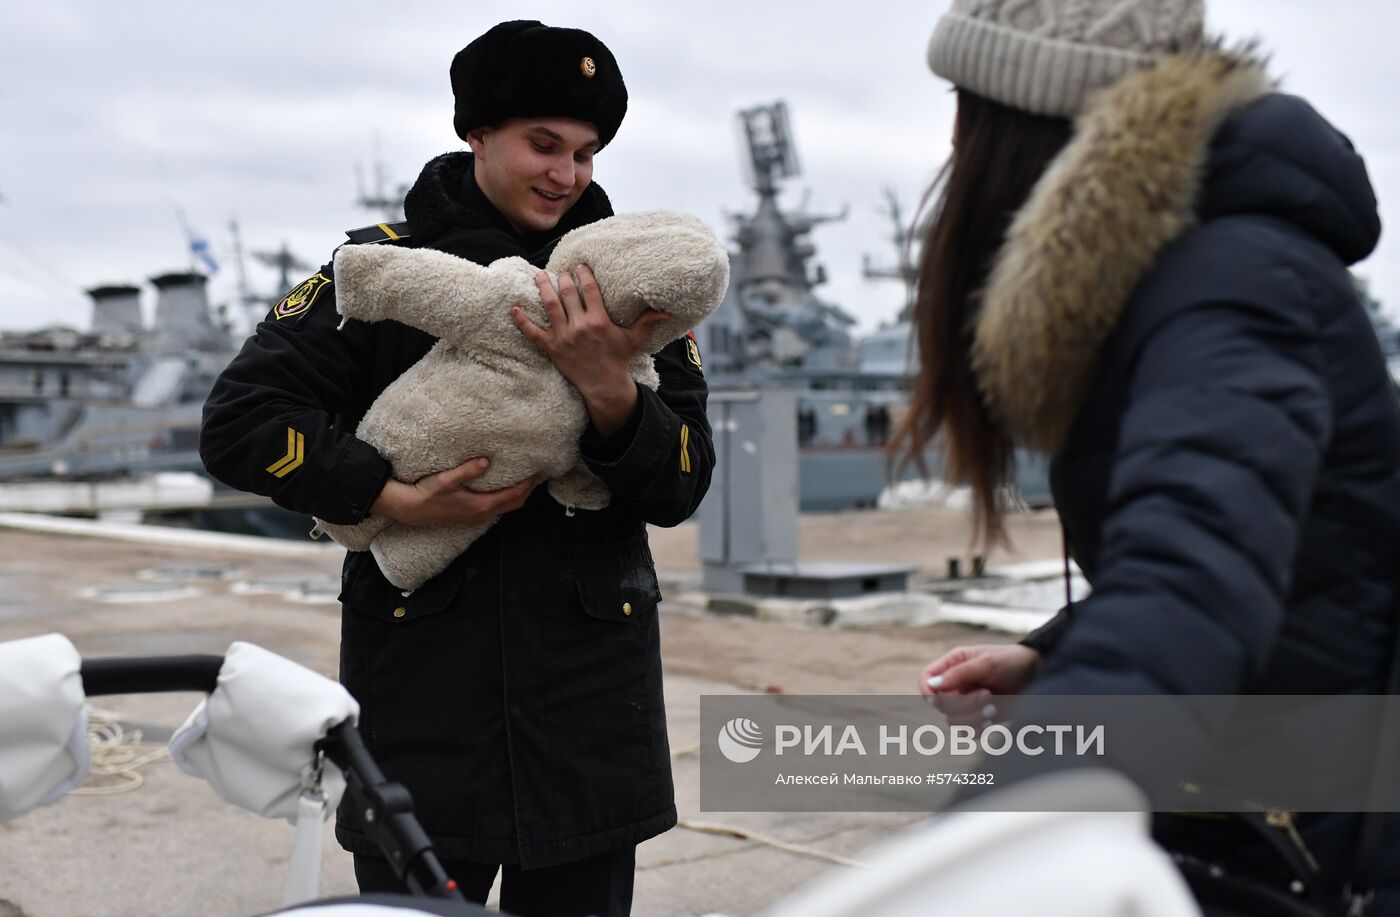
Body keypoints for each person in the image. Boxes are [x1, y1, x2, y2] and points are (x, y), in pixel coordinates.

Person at [199, 20, 713, 917]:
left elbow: (683, 481)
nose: (568, 175)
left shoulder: (634, 286)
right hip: (423, 699)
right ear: (475, 134)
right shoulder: (382, 269)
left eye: (587, 153)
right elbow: (241, 420)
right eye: (542, 145)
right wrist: (386, 494)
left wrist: (611, 392)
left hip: (588, 708)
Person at [898, 0, 1400, 912]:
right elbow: (1259, 546)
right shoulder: (1197, 261)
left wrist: (993, 842)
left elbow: (1193, 573)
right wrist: (1059, 653)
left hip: (1292, 823)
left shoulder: (1236, 274)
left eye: (962, 104)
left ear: (1023, 110)